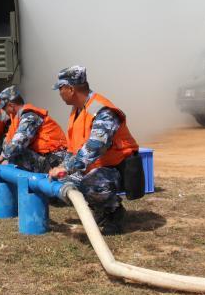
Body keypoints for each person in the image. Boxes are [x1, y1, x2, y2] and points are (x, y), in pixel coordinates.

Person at [47, 66, 139, 235]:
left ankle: (114, 214)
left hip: (116, 167)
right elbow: (73, 148)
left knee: (91, 183)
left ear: (71, 89)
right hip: (94, 165)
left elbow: (95, 147)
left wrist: (66, 168)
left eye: (61, 88)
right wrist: (62, 168)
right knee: (63, 182)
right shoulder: (77, 110)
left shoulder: (102, 111)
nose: (60, 93)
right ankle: (100, 210)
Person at [0, 85, 68, 174]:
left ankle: (46, 175)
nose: (4, 111)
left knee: (16, 154)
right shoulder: (18, 117)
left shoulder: (29, 116)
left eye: (4, 108)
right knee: (11, 152)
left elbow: (18, 143)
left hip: (56, 160)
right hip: (45, 157)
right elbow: (7, 142)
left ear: (11, 105)